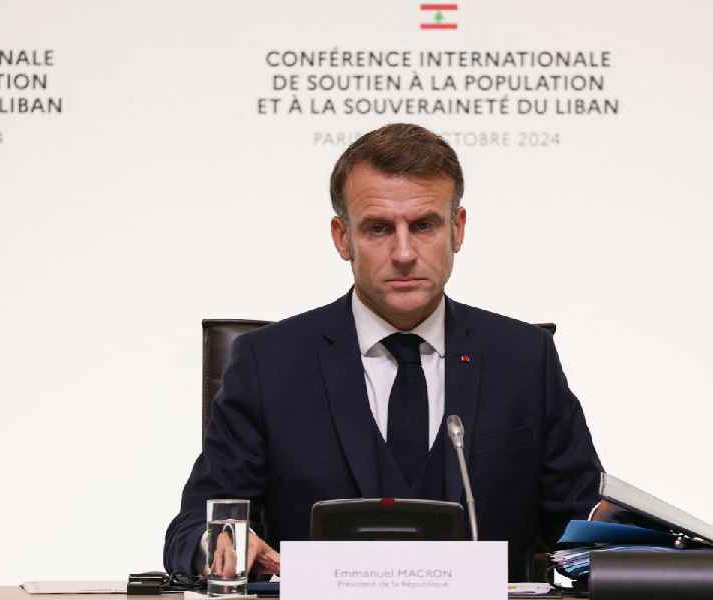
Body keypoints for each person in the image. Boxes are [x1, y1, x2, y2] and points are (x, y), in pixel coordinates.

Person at [163, 123, 603, 581]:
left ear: (457, 229)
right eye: (378, 228)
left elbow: (583, 524)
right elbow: (194, 527)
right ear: (342, 237)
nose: (404, 252)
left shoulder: (524, 359)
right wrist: (222, 544)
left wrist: (635, 540)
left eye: (424, 225)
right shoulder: (267, 363)